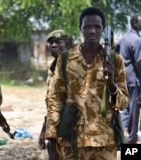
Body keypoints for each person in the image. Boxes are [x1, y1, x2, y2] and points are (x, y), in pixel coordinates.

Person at [45, 7, 129, 159]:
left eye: (97, 27)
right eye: (87, 27)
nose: (92, 31)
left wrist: (111, 85)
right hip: (72, 141)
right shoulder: (65, 60)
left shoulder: (114, 61)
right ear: (80, 29)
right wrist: (51, 137)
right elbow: (55, 100)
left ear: (103, 29)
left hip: (104, 143)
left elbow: (123, 104)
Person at [38, 29, 69, 160]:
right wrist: (45, 129)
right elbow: (52, 104)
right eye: (51, 43)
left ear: (66, 44)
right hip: (54, 127)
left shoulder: (72, 66)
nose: (54, 45)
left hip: (69, 128)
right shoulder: (53, 68)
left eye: (58, 42)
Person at [118, 14, 141, 143]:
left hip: (124, 78)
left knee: (126, 108)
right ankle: (132, 138)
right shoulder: (137, 40)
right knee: (135, 109)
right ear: (135, 23)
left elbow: (116, 53)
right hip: (135, 79)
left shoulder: (124, 38)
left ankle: (120, 135)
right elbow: (139, 62)